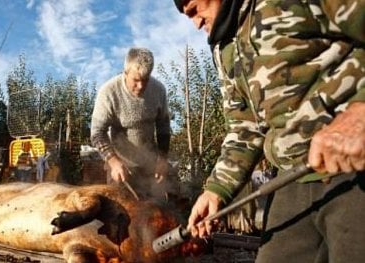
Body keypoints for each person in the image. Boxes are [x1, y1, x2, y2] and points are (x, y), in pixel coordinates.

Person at [173, 0, 365, 262]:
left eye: (195, 9)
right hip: (290, 180)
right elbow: (244, 128)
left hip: (354, 170)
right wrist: (215, 191)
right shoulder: (224, 48)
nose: (195, 23)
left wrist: (361, 111)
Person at [90, 47, 175, 201]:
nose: (141, 86)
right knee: (120, 213)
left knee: (156, 211)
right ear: (125, 72)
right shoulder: (108, 92)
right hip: (120, 165)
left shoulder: (158, 90)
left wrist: (162, 160)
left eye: (146, 80)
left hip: (150, 165)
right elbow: (97, 133)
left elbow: (163, 127)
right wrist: (113, 161)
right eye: (136, 80)